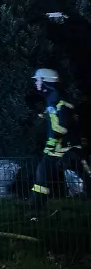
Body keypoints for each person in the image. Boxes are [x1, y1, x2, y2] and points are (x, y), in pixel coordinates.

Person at [29, 68, 85, 210]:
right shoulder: (53, 99)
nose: (36, 83)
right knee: (42, 175)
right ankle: (34, 208)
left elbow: (62, 127)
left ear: (45, 82)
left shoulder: (57, 100)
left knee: (84, 177)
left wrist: (52, 142)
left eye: (37, 80)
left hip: (67, 150)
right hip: (56, 150)